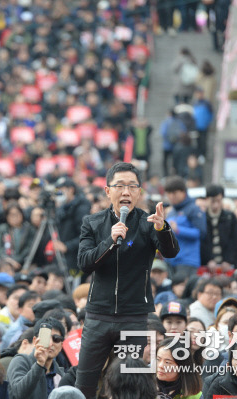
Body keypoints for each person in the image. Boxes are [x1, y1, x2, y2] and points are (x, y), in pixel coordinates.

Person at [75, 162, 179, 399]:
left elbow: (171, 252)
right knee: (86, 382)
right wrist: (109, 242)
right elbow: (84, 263)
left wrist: (163, 229)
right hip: (98, 315)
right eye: (119, 186)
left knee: (129, 382)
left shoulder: (148, 222)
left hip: (133, 318)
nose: (125, 192)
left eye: (132, 186)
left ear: (139, 192)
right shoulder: (92, 223)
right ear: (107, 191)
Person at [6, 318, 66, 399]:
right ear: (35, 341)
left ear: (61, 346)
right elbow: (18, 394)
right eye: (46, 338)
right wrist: (39, 364)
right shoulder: (20, 361)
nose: (50, 343)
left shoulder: (60, 373)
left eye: (56, 339)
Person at [164, 176, 206, 275]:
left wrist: (178, 230)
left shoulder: (194, 209)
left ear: (183, 192)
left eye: (174, 193)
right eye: (169, 193)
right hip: (170, 261)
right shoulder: (171, 211)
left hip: (187, 261)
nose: (171, 196)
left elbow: (200, 233)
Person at [201, 184, 237, 274]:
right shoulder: (202, 217)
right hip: (207, 265)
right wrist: (208, 260)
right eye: (213, 201)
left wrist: (228, 260)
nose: (216, 204)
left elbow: (235, 240)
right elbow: (202, 242)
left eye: (219, 201)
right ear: (207, 200)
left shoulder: (230, 217)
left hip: (227, 263)